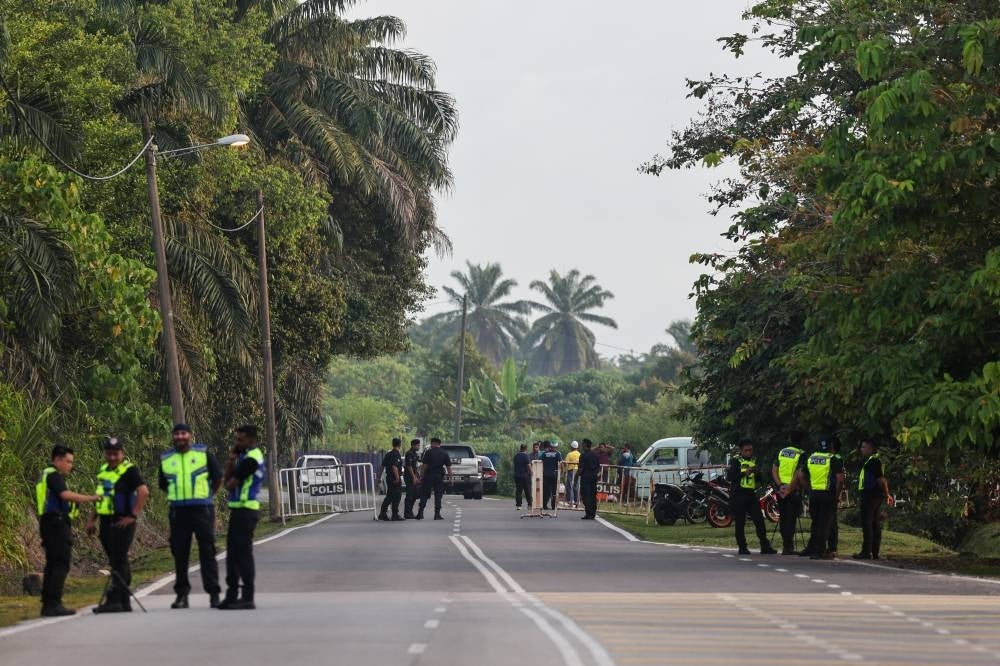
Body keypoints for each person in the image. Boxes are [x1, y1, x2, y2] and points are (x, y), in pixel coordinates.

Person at [159, 423, 223, 609]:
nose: (180, 437)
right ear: (173, 436)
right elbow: (163, 484)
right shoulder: (166, 458)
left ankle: (214, 594)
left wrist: (209, 496)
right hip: (178, 511)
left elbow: (217, 477)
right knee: (180, 554)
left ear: (190, 435)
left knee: (207, 552)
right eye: (177, 434)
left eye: (183, 433)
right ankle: (181, 596)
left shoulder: (203, 454)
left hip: (202, 509)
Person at [36, 445, 101, 617]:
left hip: (49, 522)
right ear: (57, 460)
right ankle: (54, 603)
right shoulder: (53, 475)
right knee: (60, 563)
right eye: (68, 461)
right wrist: (92, 498)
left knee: (52, 563)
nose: (70, 465)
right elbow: (66, 495)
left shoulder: (47, 474)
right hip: (55, 524)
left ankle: (48, 604)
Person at [86, 437, 149, 614]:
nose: (112, 457)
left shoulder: (129, 470)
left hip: (123, 522)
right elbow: (100, 497)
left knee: (119, 558)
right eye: (109, 453)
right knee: (116, 560)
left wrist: (133, 516)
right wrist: (92, 520)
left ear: (122, 454)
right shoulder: (104, 470)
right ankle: (123, 600)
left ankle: (115, 599)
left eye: (116, 453)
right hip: (106, 521)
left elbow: (143, 492)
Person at [220, 425, 266, 610]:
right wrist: (232, 458)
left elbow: (229, 484)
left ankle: (247, 596)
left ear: (251, 440)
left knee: (243, 555)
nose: (237, 443)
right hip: (239, 510)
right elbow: (228, 481)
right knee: (233, 554)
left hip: (246, 511)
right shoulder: (245, 457)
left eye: (241, 440)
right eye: (236, 439)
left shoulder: (251, 460)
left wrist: (232, 462)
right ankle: (232, 595)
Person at [726, 438, 777, 555]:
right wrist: (744, 473)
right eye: (746, 450)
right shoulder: (735, 461)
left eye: (750, 450)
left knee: (759, 520)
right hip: (738, 494)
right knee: (740, 522)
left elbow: (759, 478)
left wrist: (758, 474)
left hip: (750, 494)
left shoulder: (754, 460)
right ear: (741, 450)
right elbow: (730, 477)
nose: (749, 452)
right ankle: (742, 547)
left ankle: (765, 546)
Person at [800, 435, 844, 560]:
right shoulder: (833, 459)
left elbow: (801, 476)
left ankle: (814, 548)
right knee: (824, 524)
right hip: (828, 495)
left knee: (816, 523)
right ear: (831, 446)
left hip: (814, 495)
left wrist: (809, 490)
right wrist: (836, 495)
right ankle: (819, 551)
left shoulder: (811, 458)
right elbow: (840, 480)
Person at [854, 438, 894, 560]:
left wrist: (887, 494)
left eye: (864, 447)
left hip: (870, 495)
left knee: (868, 523)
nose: (861, 450)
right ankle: (874, 552)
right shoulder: (871, 461)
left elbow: (881, 479)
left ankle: (867, 552)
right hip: (873, 495)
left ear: (871, 448)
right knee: (874, 523)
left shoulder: (874, 461)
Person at [771, 431, 806, 555]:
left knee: (784, 517)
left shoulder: (782, 452)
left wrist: (780, 485)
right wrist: (790, 489)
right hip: (792, 490)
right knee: (790, 519)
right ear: (802, 441)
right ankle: (788, 547)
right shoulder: (801, 454)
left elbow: (774, 470)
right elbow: (798, 473)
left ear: (790, 439)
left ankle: (786, 545)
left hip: (781, 490)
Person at [417, 437, 452, 520]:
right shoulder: (444, 453)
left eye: (431, 443)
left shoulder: (428, 452)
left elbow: (424, 466)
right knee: (438, 495)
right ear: (439, 444)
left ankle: (420, 513)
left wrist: (421, 477)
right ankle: (437, 514)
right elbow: (449, 468)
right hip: (439, 477)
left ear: (433, 443)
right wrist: (451, 479)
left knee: (424, 494)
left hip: (428, 476)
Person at [378, 437, 404, 521]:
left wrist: (378, 477)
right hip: (394, 477)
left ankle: (382, 513)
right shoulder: (396, 454)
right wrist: (397, 477)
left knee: (389, 496)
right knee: (396, 496)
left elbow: (382, 466)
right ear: (400, 444)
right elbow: (394, 466)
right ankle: (395, 514)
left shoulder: (388, 454)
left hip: (388, 477)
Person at [578, 439, 600, 519]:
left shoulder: (583, 455)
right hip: (593, 477)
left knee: (585, 495)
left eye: (583, 444)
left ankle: (588, 513)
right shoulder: (595, 455)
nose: (581, 445)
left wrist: (576, 476)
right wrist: (596, 475)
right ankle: (592, 513)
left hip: (585, 478)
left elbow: (580, 468)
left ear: (585, 445)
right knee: (592, 495)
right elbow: (598, 467)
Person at [403, 439, 423, 519]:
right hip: (409, 477)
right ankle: (407, 513)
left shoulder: (415, 454)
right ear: (413, 445)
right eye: (418, 445)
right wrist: (413, 477)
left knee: (415, 495)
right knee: (410, 495)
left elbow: (416, 466)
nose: (418, 447)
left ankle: (410, 511)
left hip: (414, 476)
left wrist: (417, 476)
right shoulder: (409, 453)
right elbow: (409, 466)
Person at [540, 440, 562, 510]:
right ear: (556, 446)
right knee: (554, 491)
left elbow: (539, 461)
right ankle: (553, 506)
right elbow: (561, 463)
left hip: (546, 475)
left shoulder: (544, 453)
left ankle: (544, 505)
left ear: (550, 446)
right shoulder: (557, 454)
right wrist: (562, 473)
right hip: (555, 475)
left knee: (546, 491)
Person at [513, 443, 532, 509]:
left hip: (517, 475)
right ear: (526, 449)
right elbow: (528, 466)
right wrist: (531, 472)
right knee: (527, 490)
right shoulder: (526, 456)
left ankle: (518, 505)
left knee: (518, 491)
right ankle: (529, 504)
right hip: (525, 476)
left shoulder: (516, 456)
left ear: (520, 448)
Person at [564, 441, 580, 508]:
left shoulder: (569, 454)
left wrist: (564, 471)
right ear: (577, 447)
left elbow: (565, 463)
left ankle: (570, 501)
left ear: (571, 447)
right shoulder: (579, 454)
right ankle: (576, 501)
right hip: (578, 470)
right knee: (576, 486)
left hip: (571, 470)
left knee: (569, 485)